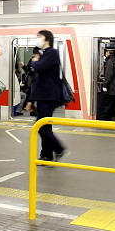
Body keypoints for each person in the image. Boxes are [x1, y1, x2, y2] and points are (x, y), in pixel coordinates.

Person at [25, 30, 66, 163]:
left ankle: (58, 148)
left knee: (41, 126)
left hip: (49, 96)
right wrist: (31, 100)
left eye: (39, 37)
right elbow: (38, 80)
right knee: (44, 126)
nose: (37, 39)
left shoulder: (52, 52)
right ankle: (46, 155)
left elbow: (38, 67)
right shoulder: (45, 54)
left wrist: (35, 61)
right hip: (43, 95)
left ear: (47, 39)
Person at [99, 49, 115, 120]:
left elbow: (108, 74)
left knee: (107, 104)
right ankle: (108, 118)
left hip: (110, 88)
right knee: (111, 105)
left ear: (108, 52)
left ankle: (104, 119)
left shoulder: (110, 61)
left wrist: (105, 85)